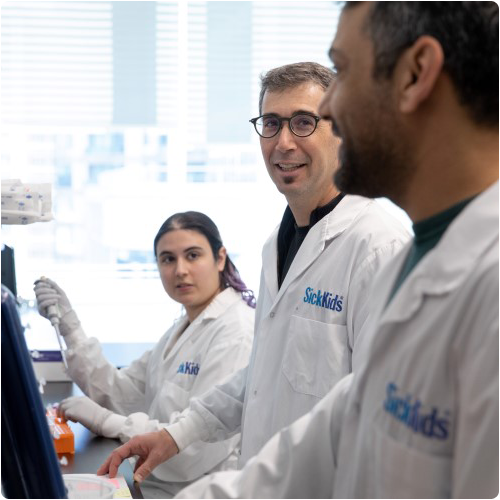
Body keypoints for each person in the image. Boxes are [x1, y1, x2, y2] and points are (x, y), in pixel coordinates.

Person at [136, 2, 497, 498]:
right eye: (272, 123)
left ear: (416, 74)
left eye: (344, 71)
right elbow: (320, 419)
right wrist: (182, 441)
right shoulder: (424, 257)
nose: (331, 109)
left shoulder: (396, 252)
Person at [98, 61, 410, 482]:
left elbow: (379, 412)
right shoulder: (274, 247)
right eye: (271, 123)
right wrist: (173, 435)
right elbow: (262, 375)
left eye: (303, 122)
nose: (283, 143)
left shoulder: (377, 247)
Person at [34, 211, 255, 497]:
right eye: (168, 259)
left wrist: (105, 421)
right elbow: (122, 393)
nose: (180, 270)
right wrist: (70, 329)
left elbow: (194, 451)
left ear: (220, 258)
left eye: (193, 255)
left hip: (199, 491)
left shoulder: (236, 332)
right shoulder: (184, 327)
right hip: (159, 486)